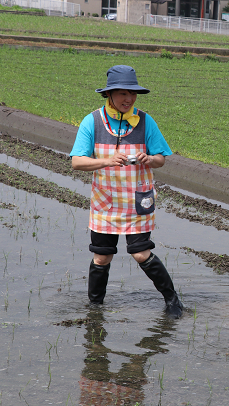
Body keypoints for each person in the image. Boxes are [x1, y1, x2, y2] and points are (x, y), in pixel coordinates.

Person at [70, 65, 183, 318]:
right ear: (108, 94)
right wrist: (107, 161)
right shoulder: (93, 121)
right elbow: (77, 162)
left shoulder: (145, 121)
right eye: (122, 93)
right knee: (102, 258)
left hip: (137, 202)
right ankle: (95, 309)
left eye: (132, 94)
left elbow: (160, 159)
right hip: (105, 202)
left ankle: (173, 300)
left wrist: (149, 159)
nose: (128, 99)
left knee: (141, 253)